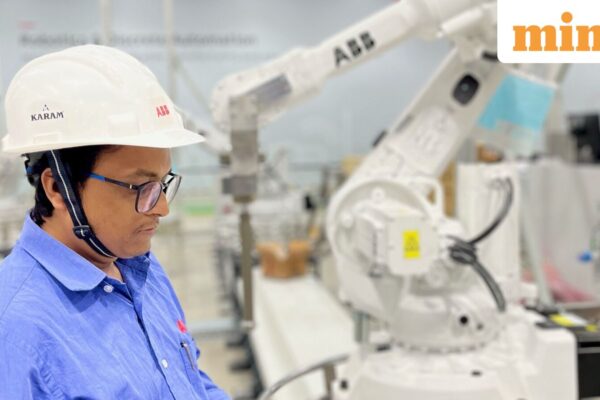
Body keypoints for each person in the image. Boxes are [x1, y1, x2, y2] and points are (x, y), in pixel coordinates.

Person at [0, 45, 230, 400]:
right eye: (140, 188)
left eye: (163, 184)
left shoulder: (139, 268)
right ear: (58, 188)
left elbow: (190, 379)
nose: (162, 208)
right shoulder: (17, 331)